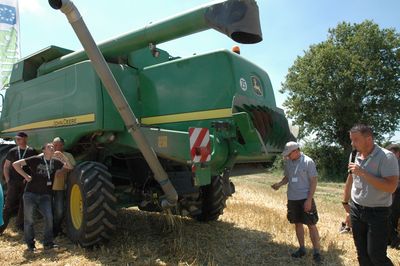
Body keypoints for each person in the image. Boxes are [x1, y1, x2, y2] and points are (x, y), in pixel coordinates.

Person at [343, 124, 398, 266]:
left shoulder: (387, 157)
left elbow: (391, 187)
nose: (352, 143)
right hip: (356, 209)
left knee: (376, 256)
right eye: (351, 139)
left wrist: (363, 172)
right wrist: (346, 204)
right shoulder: (354, 155)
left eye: (355, 139)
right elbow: (351, 179)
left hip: (378, 212)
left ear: (368, 139)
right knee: (362, 254)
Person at [13, 143, 73, 252]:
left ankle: (48, 243)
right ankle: (31, 245)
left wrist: (62, 156)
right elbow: (16, 164)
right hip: (30, 194)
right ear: (44, 150)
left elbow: (69, 167)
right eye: (49, 147)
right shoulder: (36, 159)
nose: (52, 148)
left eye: (52, 147)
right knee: (29, 220)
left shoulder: (56, 162)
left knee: (49, 218)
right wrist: (26, 176)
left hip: (45, 196)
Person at [271, 141, 322, 263]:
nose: (287, 156)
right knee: (297, 223)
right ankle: (302, 249)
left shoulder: (308, 162)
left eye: (289, 154)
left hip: (305, 198)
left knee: (311, 225)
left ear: (296, 151)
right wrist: (279, 184)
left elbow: (314, 182)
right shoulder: (288, 162)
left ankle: (317, 252)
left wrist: (309, 200)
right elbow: (287, 177)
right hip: (292, 199)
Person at [0, 132, 37, 234]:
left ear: (26, 138)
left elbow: (35, 167)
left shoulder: (32, 151)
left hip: (26, 182)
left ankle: (20, 226)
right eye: (17, 139)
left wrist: (31, 178)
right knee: (8, 205)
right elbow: (6, 166)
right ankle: (1, 228)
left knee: (24, 204)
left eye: (20, 138)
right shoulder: (12, 151)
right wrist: (7, 180)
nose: (18, 140)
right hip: (13, 182)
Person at [52, 137, 76, 237]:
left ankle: (56, 229)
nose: (57, 147)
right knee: (50, 209)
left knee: (60, 210)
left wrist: (63, 171)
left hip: (60, 187)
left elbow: (73, 167)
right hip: (47, 188)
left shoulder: (68, 155)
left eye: (59, 145)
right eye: (55, 145)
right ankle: (52, 230)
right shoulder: (49, 155)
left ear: (63, 145)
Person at [385, 143, 400, 248]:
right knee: (390, 217)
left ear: (397, 153)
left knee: (390, 216)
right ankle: (391, 240)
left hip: (396, 193)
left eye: (391, 153)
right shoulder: (391, 162)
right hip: (392, 192)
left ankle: (394, 240)